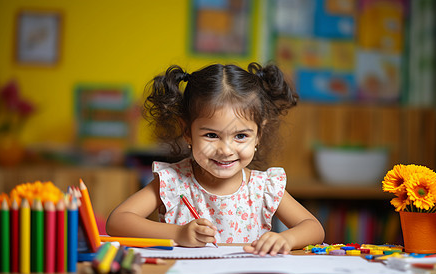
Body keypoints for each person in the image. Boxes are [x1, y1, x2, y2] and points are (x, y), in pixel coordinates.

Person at [106, 62, 324, 256]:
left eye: (241, 136)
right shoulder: (174, 181)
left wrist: (286, 238)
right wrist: (179, 233)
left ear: (258, 135)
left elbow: (314, 228)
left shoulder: (263, 187)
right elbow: (117, 222)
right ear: (187, 131)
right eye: (211, 135)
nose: (226, 150)